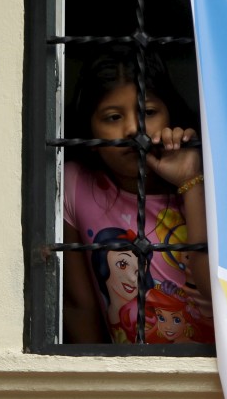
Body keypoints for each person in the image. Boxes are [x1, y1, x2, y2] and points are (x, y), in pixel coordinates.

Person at [62, 46, 213, 344]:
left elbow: (213, 289)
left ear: (171, 115)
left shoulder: (209, 175)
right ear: (90, 135)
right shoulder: (75, 184)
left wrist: (191, 181)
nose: (134, 128)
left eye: (149, 112)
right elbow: (79, 307)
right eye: (113, 117)